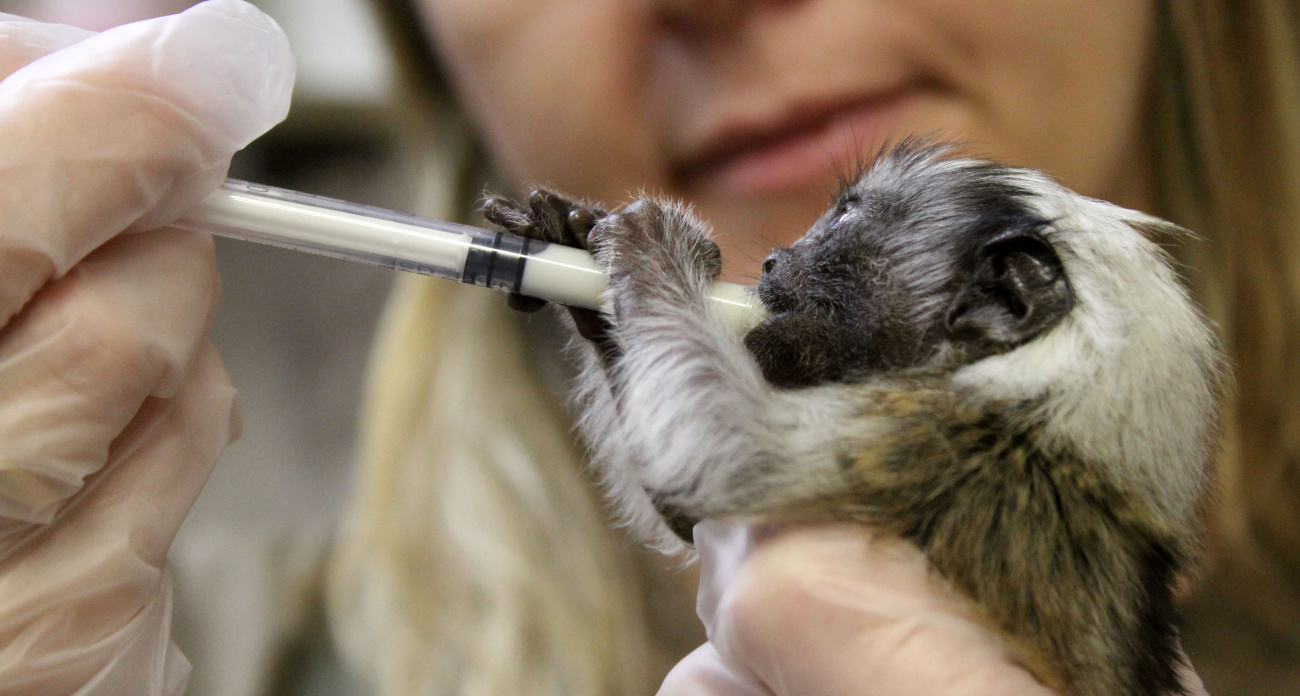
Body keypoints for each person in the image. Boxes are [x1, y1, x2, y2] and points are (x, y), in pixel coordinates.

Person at [0, 2, 1293, 696]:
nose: (789, 262)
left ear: (1008, 304)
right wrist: (617, 316)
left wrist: (640, 277)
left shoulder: (996, 473)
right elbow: (708, 493)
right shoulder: (211, 649)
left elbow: (717, 466)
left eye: (857, 231)